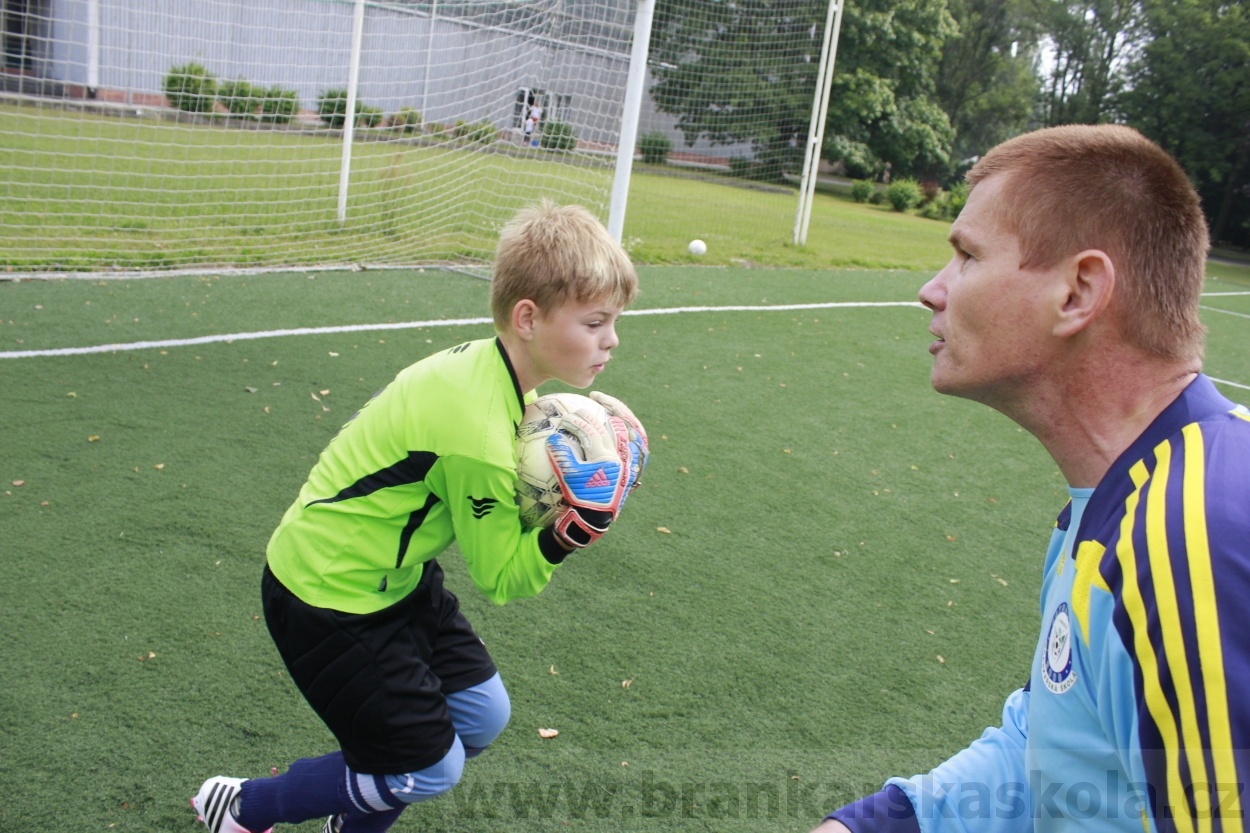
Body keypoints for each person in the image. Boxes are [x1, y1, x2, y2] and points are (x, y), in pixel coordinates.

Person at [816, 125, 1250, 833]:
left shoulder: (1188, 534)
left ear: (1078, 292)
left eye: (966, 256)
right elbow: (1048, 745)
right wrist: (876, 825)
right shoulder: (1116, 504)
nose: (932, 289)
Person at [191, 201, 647, 833]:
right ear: (528, 318)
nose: (611, 339)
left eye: (614, 322)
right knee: (430, 769)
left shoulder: (504, 378)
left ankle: (355, 809)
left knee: (482, 718)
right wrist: (569, 533)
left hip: (392, 578)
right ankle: (243, 807)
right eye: (595, 322)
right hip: (327, 595)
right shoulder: (478, 437)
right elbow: (502, 579)